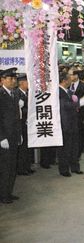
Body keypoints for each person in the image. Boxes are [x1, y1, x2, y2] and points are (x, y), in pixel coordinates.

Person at [0, 68, 21, 203]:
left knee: (12, 166)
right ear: (2, 80)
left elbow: (15, 117)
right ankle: (3, 195)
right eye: (11, 78)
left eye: (14, 79)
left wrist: (19, 135)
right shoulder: (1, 95)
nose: (14, 81)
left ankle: (8, 191)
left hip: (13, 136)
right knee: (5, 168)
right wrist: (1, 137)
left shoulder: (14, 94)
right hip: (5, 138)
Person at [57, 72, 83, 177]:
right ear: (64, 80)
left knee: (74, 147)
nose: (71, 80)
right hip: (65, 124)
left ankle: (75, 167)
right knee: (65, 149)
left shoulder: (68, 91)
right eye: (69, 78)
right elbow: (66, 105)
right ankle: (64, 169)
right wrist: (77, 103)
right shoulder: (58, 92)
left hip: (73, 123)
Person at [14, 74, 35, 175]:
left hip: (29, 123)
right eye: (27, 82)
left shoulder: (27, 93)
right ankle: (21, 168)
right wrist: (29, 111)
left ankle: (27, 166)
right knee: (22, 148)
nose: (29, 84)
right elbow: (18, 110)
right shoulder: (17, 93)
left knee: (28, 146)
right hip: (21, 124)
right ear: (21, 83)